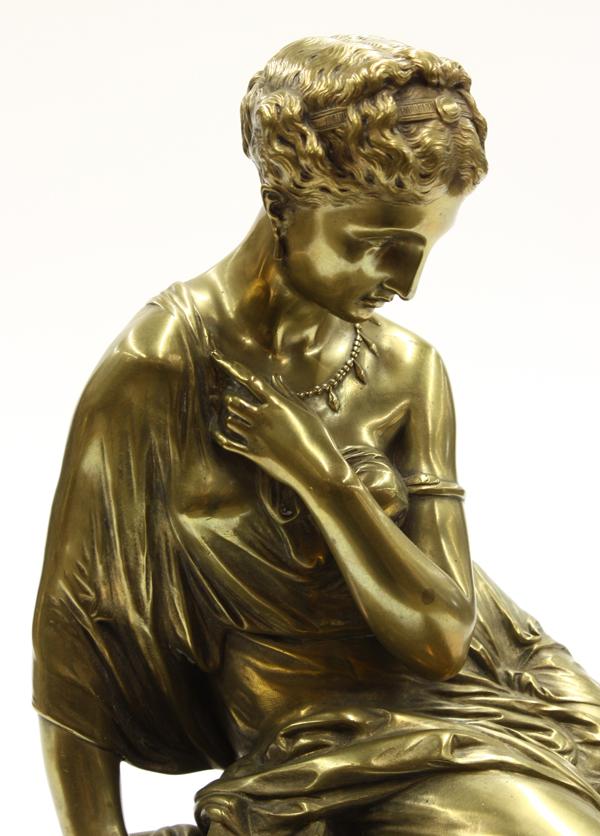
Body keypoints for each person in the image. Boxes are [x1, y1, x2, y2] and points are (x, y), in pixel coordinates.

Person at [33, 35, 600, 835]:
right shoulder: (161, 368)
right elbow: (76, 644)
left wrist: (322, 478)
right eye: (374, 246)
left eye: (425, 248)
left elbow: (444, 636)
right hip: (321, 751)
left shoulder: (408, 370)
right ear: (281, 203)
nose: (407, 284)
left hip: (490, 692)